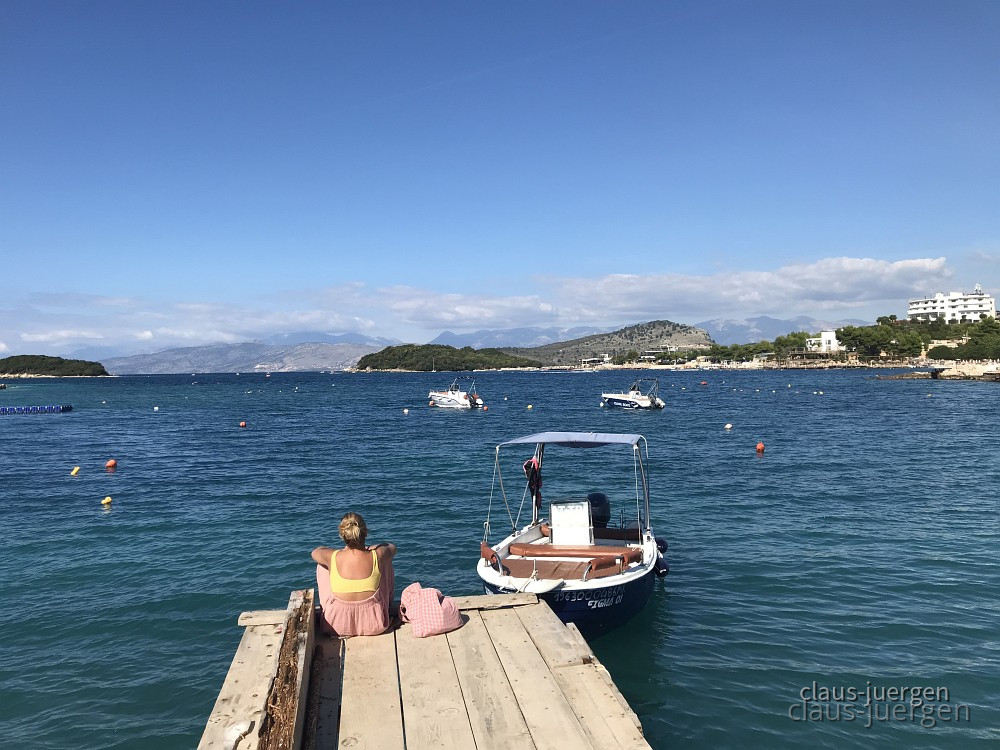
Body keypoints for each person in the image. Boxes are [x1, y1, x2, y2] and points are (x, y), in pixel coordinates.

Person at [311, 512, 397, 637]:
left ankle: (326, 610)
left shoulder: (332, 557)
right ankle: (387, 606)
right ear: (365, 532)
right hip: (374, 624)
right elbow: (391, 547)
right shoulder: (377, 555)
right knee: (385, 561)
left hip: (335, 625)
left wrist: (340, 552)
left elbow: (315, 552)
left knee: (323, 565)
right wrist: (370, 549)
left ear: (343, 535)